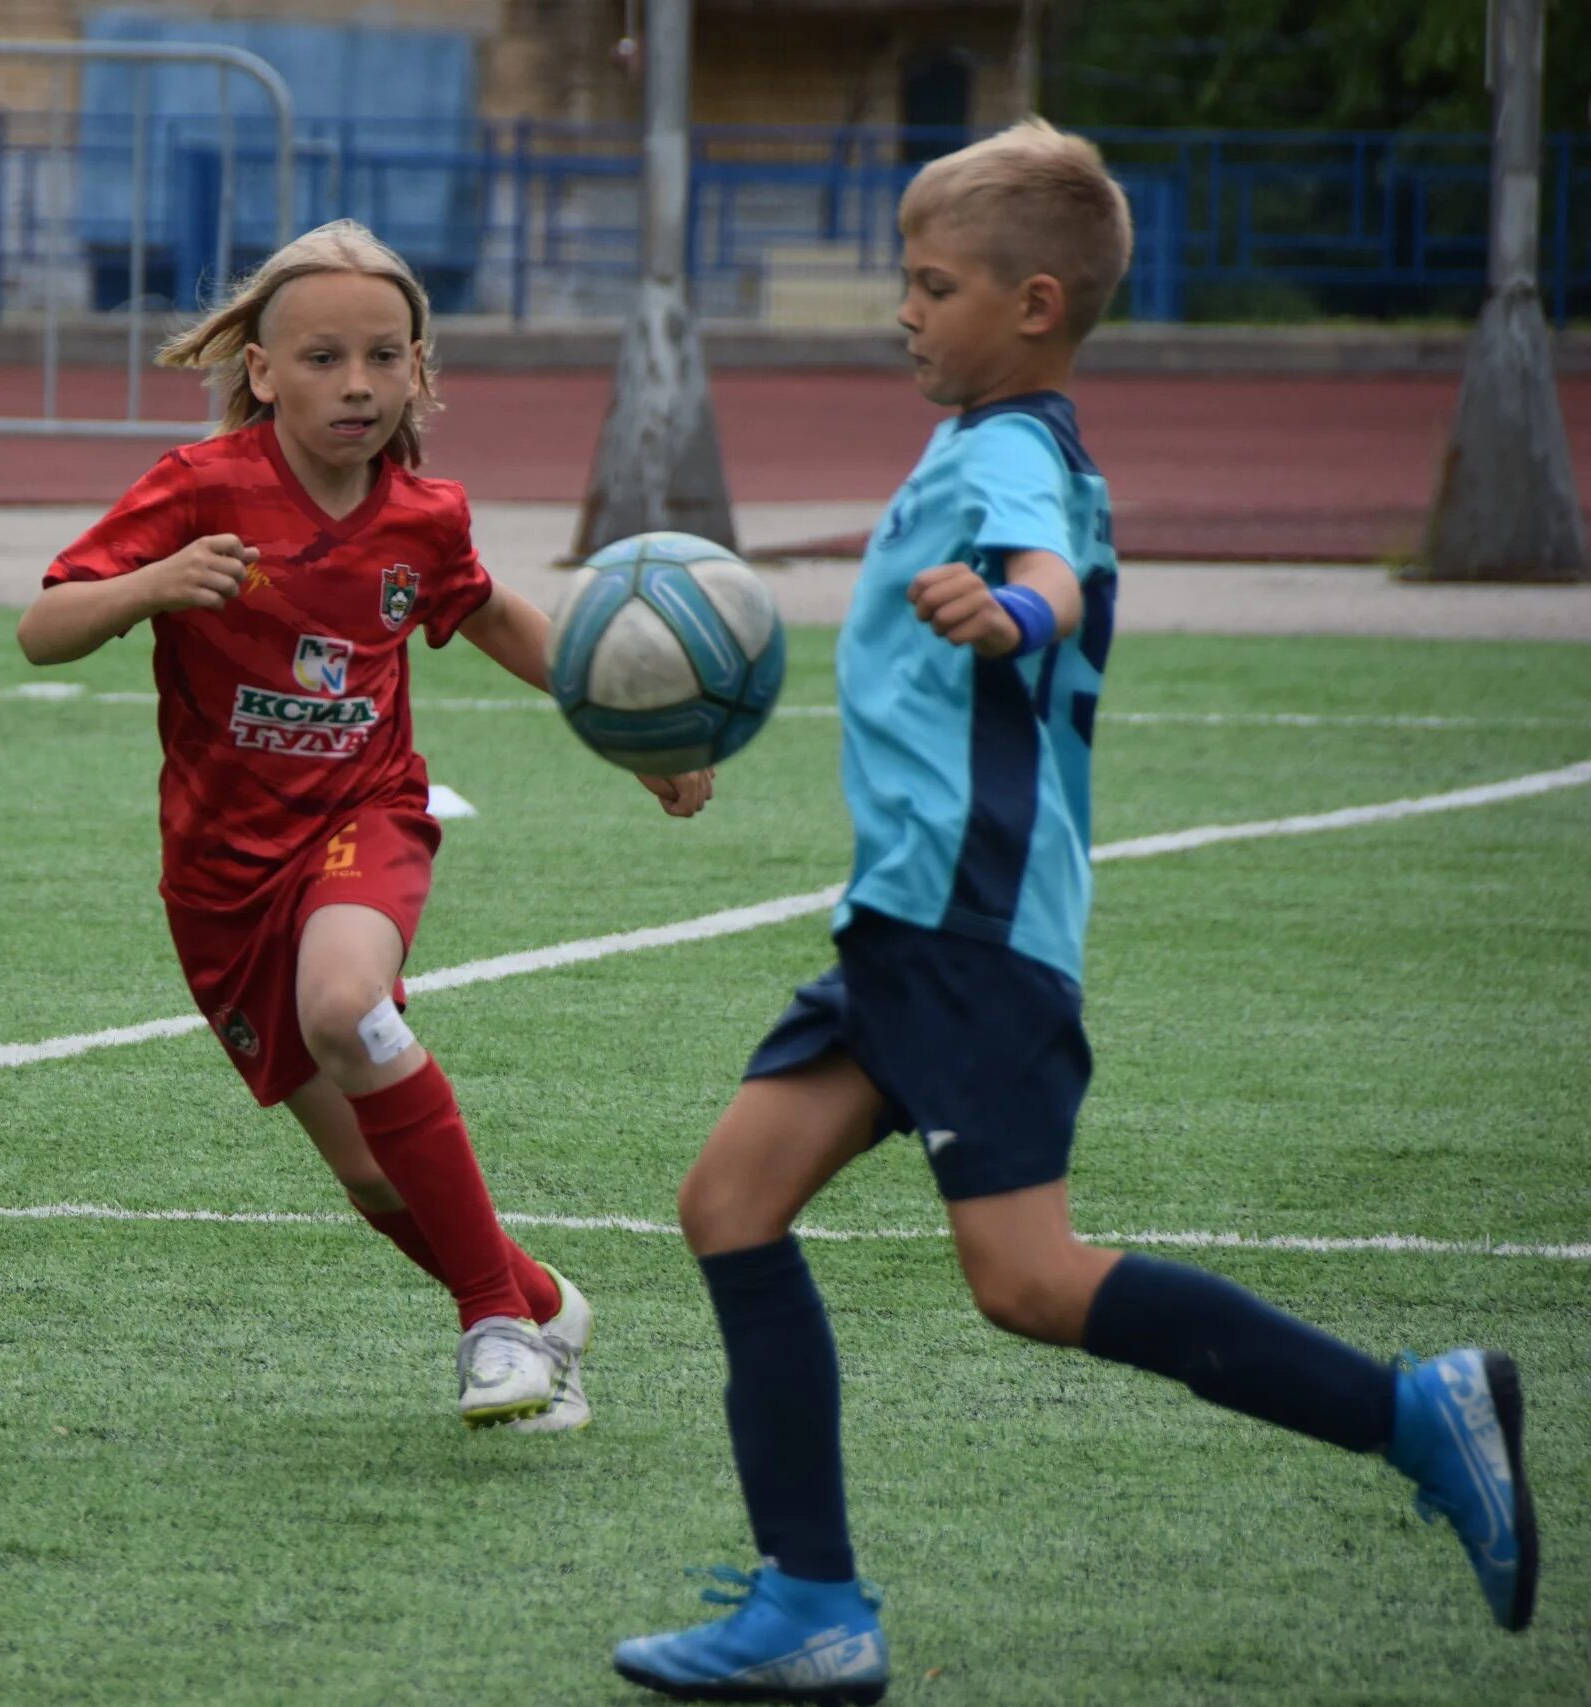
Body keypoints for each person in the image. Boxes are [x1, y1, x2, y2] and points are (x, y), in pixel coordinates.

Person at [612, 122, 1536, 1702]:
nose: (905, 309)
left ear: (1034, 303)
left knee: (1027, 1277)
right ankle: (812, 1602)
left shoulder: (1014, 451)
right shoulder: (983, 427)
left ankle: (1412, 1408)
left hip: (971, 933)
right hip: (905, 923)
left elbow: (1046, 568)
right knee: (730, 1204)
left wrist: (1017, 605)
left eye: (932, 283)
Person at [17, 220, 714, 1430]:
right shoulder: (198, 490)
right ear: (262, 372)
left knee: (346, 1006)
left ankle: (491, 1329)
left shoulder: (422, 517)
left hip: (365, 818)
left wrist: (634, 730)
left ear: (418, 372)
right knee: (365, 1172)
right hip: (219, 877)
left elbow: (492, 615)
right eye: (325, 358)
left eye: (383, 358)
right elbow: (46, 627)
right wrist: (149, 587)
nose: (356, 385)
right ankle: (539, 1302)